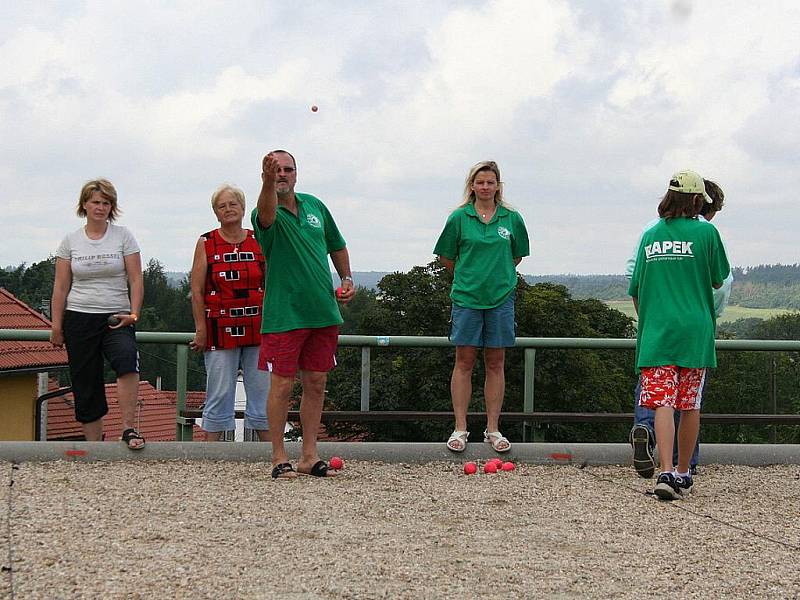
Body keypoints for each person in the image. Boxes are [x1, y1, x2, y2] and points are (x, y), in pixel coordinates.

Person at [629, 169, 730, 500]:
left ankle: (665, 471)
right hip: (695, 329)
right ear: (698, 200)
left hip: (658, 331)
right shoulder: (707, 234)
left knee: (662, 403)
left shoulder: (650, 235)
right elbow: (718, 280)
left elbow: (637, 288)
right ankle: (684, 472)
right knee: (690, 404)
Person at [253, 150, 354, 479]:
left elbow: (336, 244)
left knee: (316, 383)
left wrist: (347, 277)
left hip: (323, 312)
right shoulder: (264, 212)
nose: (282, 174)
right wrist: (267, 184)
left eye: (288, 169)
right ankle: (278, 455)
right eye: (275, 170)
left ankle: (309, 455)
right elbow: (267, 214)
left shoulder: (315, 206)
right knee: (281, 386)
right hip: (285, 314)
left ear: (297, 174)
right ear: (267, 175)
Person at [433, 161, 530, 454]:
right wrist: (471, 276)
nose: (485, 187)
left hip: (501, 299)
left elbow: (517, 256)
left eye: (491, 182)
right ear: (472, 186)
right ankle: (460, 428)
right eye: (480, 182)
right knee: (464, 361)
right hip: (466, 299)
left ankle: (493, 428)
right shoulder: (459, 218)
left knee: (496, 362)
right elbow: (446, 257)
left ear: (498, 186)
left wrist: (496, 276)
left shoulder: (512, 218)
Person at [49, 179, 145, 449]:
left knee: (127, 360)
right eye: (95, 202)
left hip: (117, 316)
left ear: (111, 207)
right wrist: (57, 326)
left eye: (105, 203)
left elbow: (136, 280)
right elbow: (60, 287)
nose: (100, 207)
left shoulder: (123, 236)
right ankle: (94, 445)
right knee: (86, 379)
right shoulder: (71, 241)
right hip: (79, 316)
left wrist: (134, 313)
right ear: (85, 205)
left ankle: (128, 428)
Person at [189, 184, 270, 441]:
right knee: (219, 392)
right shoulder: (206, 242)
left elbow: (272, 281)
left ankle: (272, 452)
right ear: (215, 212)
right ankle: (211, 454)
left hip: (258, 325)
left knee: (261, 390)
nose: (228, 210)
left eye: (233, 204)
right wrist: (200, 329)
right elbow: (197, 289)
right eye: (222, 206)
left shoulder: (259, 239)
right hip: (218, 327)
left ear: (243, 208)